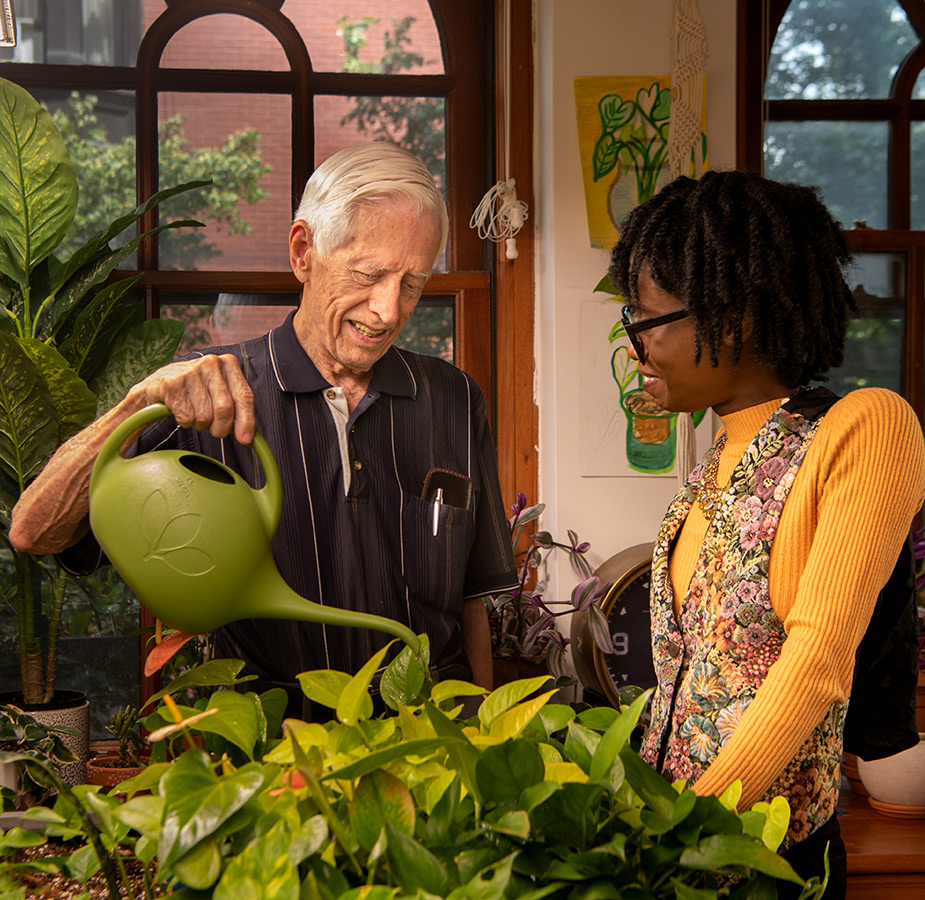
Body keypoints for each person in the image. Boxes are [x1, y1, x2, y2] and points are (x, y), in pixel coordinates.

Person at [10, 142, 517, 719]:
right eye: (370, 274)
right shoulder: (211, 398)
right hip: (276, 756)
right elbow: (34, 531)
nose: (387, 310)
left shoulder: (453, 398)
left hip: (434, 745)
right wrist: (138, 403)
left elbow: (473, 602)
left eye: (413, 283)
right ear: (304, 252)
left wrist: (486, 737)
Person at [608, 169, 925, 897]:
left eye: (644, 321)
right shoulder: (713, 464)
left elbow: (815, 661)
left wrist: (688, 828)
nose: (633, 348)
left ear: (733, 317)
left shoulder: (863, 429)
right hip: (678, 854)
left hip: (767, 861)